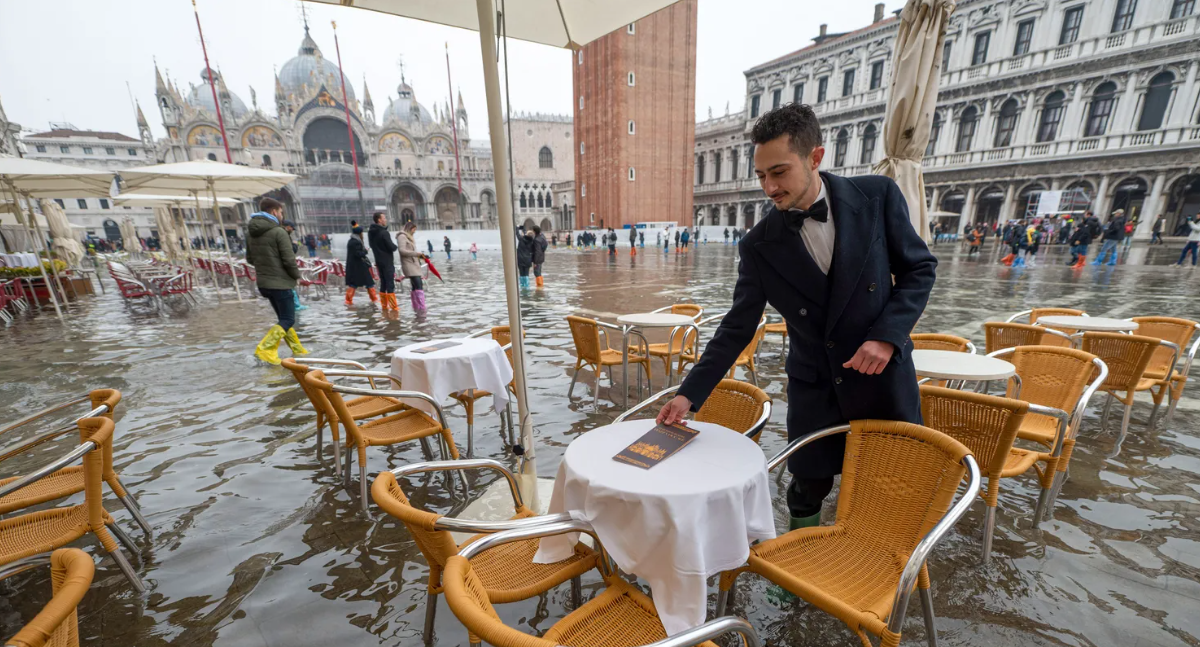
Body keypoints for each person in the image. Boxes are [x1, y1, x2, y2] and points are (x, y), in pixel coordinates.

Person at [658, 103, 936, 533]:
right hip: (815, 385)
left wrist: (887, 335)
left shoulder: (878, 196)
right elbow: (737, 326)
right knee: (806, 486)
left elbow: (920, 269)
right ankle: (797, 571)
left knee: (893, 483)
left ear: (815, 158)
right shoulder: (758, 244)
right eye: (761, 176)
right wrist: (688, 395)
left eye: (779, 172)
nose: (769, 187)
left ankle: (886, 563)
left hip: (883, 377)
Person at [246, 197, 306, 365]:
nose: (281, 215)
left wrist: (267, 265)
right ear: (274, 211)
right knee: (288, 319)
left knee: (283, 318)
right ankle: (264, 349)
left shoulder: (250, 232)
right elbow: (289, 260)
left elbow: (250, 258)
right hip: (281, 283)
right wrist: (296, 276)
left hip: (264, 283)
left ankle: (297, 349)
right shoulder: (279, 232)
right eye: (280, 212)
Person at [369, 212, 399, 311]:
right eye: (384, 218)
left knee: (383, 283)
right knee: (390, 284)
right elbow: (391, 247)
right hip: (387, 261)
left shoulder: (371, 232)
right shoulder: (384, 233)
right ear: (379, 220)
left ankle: (384, 307)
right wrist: (395, 246)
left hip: (378, 261)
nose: (385, 219)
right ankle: (394, 308)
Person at [398, 221, 428, 314]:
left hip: (414, 264)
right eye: (414, 229)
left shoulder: (409, 237)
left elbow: (411, 251)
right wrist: (416, 253)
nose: (414, 232)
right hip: (409, 265)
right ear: (409, 228)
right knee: (419, 286)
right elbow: (402, 251)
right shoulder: (402, 236)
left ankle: (417, 308)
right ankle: (422, 309)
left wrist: (422, 256)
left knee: (416, 287)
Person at [344, 226, 378, 306]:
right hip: (359, 267)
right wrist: (365, 251)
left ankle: (348, 301)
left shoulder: (351, 241)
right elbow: (358, 254)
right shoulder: (356, 242)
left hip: (354, 267)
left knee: (353, 284)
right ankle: (374, 300)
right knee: (369, 283)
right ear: (360, 233)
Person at [282, 219, 308, 311]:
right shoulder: (283, 236)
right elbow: (290, 252)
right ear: (288, 227)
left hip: (283, 267)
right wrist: (295, 244)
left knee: (290, 287)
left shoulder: (282, 234)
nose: (293, 230)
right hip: (286, 267)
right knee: (291, 286)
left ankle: (294, 305)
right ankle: (295, 305)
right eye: (292, 228)